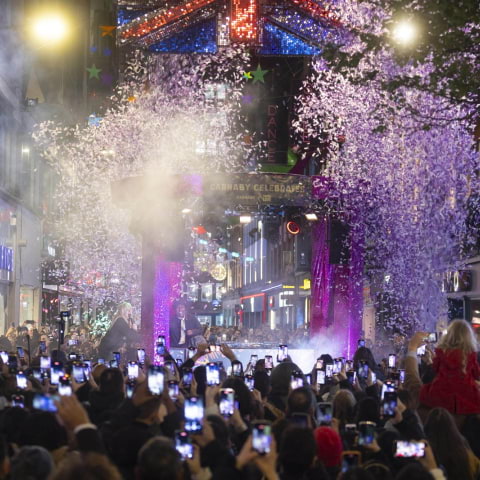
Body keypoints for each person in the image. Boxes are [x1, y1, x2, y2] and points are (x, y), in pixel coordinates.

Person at [419, 319, 480, 415]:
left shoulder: (440, 352)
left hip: (440, 395)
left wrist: (430, 361)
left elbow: (434, 371)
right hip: (467, 398)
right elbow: (476, 374)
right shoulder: (471, 355)